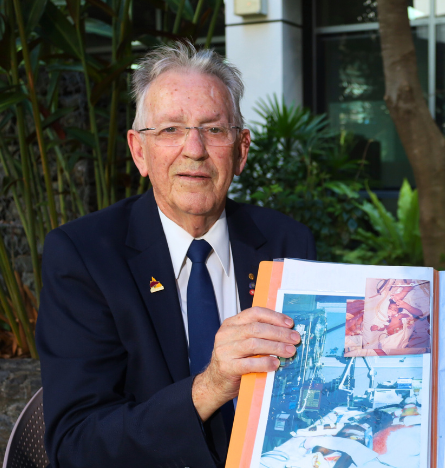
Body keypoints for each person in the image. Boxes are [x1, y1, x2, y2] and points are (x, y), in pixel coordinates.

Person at [36, 42, 313, 467]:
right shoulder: (84, 257)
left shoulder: (287, 243)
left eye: (214, 129)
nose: (195, 149)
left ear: (241, 150)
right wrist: (212, 385)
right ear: (138, 151)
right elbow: (77, 445)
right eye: (170, 130)